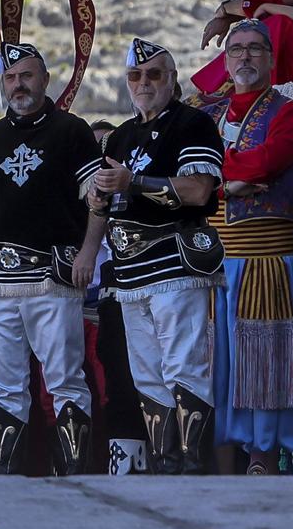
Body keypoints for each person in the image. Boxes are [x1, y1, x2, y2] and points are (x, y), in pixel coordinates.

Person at [0, 41, 105, 475]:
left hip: (53, 276)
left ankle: (73, 478)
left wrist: (89, 252)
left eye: (27, 76)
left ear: (45, 80)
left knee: (64, 380)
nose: (18, 85)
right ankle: (8, 480)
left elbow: (98, 201)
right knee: (5, 388)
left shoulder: (72, 131)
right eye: (11, 78)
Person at [89, 38, 224, 474]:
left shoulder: (193, 124)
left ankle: (193, 466)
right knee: (145, 374)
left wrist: (134, 182)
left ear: (172, 79)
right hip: (128, 273)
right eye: (135, 75)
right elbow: (102, 201)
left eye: (153, 74)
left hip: (174, 260)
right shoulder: (121, 135)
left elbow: (200, 189)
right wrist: (91, 235)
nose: (143, 83)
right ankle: (166, 465)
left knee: (183, 365)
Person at [200, 17, 293, 472]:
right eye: (236, 49)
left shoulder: (289, 112)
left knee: (262, 365)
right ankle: (219, 474)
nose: (244, 56)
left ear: (270, 58)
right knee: (213, 368)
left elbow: (268, 160)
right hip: (212, 264)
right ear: (225, 61)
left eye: (254, 48)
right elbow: (198, 173)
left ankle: (261, 466)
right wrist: (234, 180)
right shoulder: (205, 115)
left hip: (263, 259)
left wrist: (213, 179)